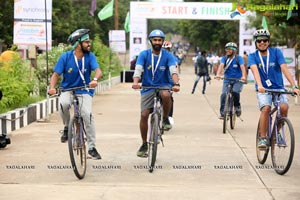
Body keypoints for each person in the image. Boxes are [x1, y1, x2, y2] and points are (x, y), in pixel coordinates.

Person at [48, 29, 102, 160]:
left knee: (87, 115)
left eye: (89, 41)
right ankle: (67, 127)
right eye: (86, 42)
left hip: (84, 90)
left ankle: (91, 147)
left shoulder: (90, 57)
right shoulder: (65, 57)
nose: (89, 44)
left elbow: (98, 71)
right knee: (63, 104)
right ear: (78, 44)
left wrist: (95, 80)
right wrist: (52, 88)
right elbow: (56, 75)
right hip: (68, 90)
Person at [248, 29, 300, 150]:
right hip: (263, 89)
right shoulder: (253, 56)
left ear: (268, 42)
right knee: (266, 108)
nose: (262, 42)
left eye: (265, 40)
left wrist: (294, 85)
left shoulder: (276, 52)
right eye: (259, 40)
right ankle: (263, 138)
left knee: (284, 107)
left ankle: (277, 133)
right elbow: (255, 71)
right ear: (256, 42)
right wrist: (260, 85)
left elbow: (284, 68)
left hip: (279, 88)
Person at [132, 29, 180, 157]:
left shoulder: (168, 56)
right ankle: (144, 144)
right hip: (147, 87)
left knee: (166, 94)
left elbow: (173, 71)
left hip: (164, 85)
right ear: (151, 41)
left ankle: (165, 119)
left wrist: (176, 84)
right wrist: (136, 82)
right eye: (155, 40)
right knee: (144, 115)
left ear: (162, 42)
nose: (157, 42)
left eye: (159, 40)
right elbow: (138, 70)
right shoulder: (144, 54)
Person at [215, 42, 247, 119]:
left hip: (238, 80)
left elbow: (242, 67)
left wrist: (243, 76)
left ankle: (237, 106)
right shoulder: (224, 58)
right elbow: (221, 66)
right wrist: (218, 74)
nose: (228, 50)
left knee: (235, 92)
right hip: (227, 79)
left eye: (229, 49)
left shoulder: (238, 58)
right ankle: (223, 113)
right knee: (223, 95)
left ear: (234, 50)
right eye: (227, 49)